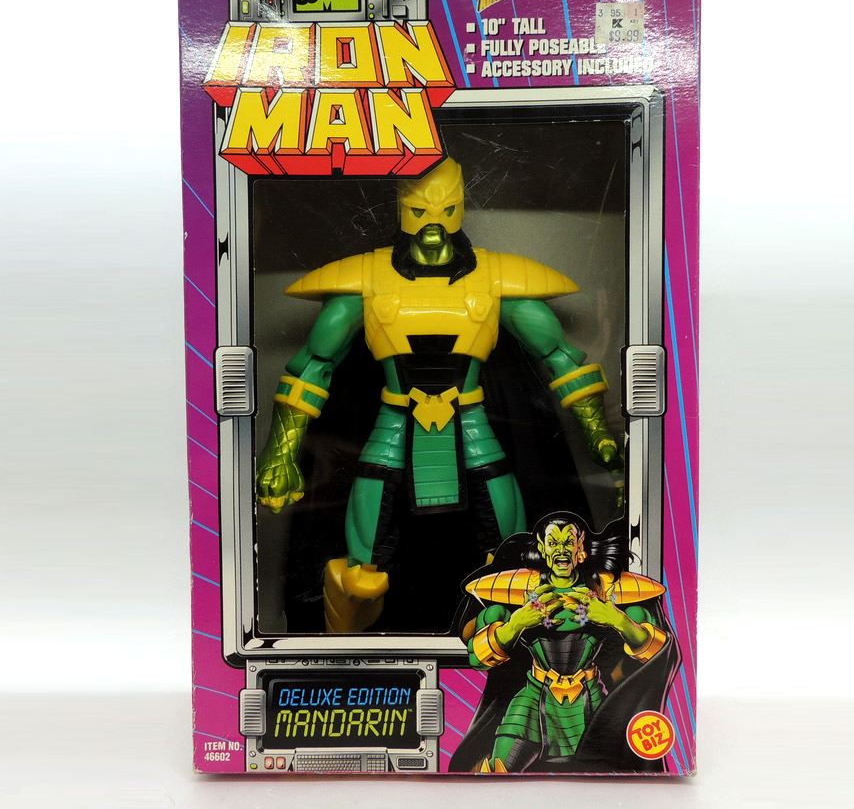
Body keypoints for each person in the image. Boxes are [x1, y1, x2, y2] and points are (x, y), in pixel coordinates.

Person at [255, 159, 623, 632]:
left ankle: (508, 645)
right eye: (418, 211)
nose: (432, 227)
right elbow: (313, 365)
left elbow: (562, 358)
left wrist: (599, 435)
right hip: (394, 426)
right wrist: (281, 452)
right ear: (400, 208)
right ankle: (342, 653)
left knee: (511, 563)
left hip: (470, 426)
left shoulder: (496, 279)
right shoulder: (365, 280)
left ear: (461, 207)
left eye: (445, 210)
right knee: (362, 576)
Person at [451, 512, 679, 773]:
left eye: (568, 542)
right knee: (496, 772)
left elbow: (658, 654)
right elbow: (477, 658)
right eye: (553, 542)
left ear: (581, 548)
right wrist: (517, 624)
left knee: (609, 772)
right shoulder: (519, 595)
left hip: (588, 699)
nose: (561, 550)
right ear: (542, 548)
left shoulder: (604, 593)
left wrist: (617, 620)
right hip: (532, 700)